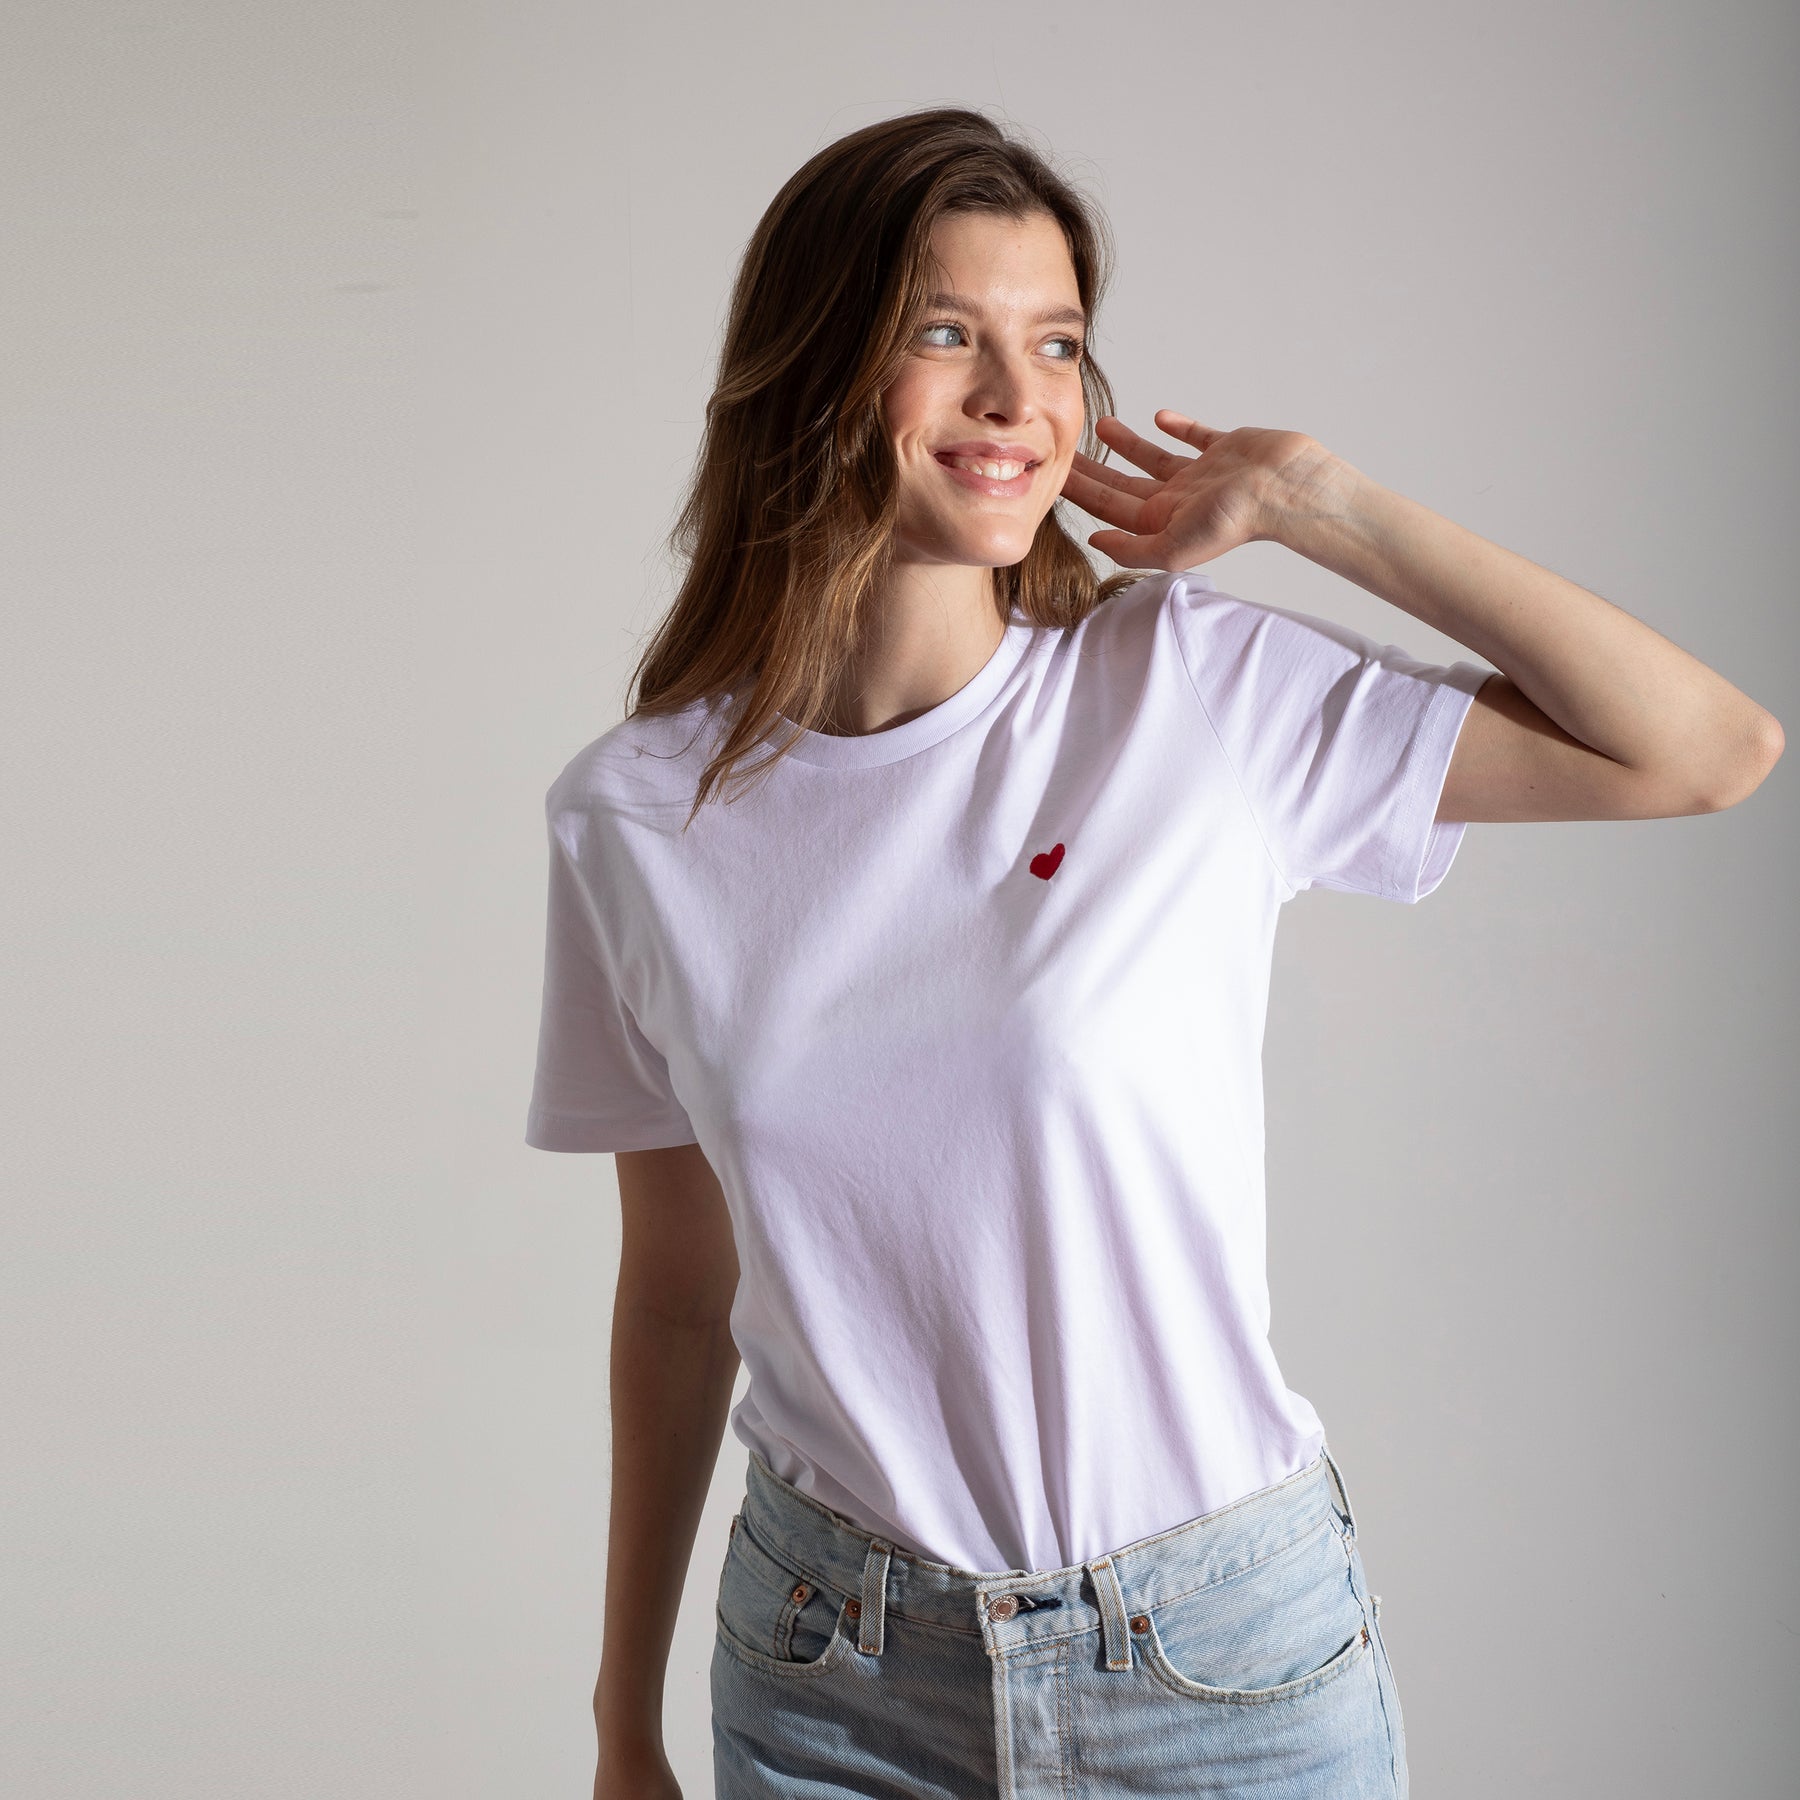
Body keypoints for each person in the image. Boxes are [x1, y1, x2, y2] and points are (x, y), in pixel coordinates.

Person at [522, 108, 1783, 1800]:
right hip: (832, 1680)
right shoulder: (635, 817)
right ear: (810, 365)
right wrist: (621, 1722)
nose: (1017, 397)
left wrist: (1323, 505)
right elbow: (678, 1300)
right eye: (945, 333)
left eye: (1057, 345)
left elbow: (1703, 749)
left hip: (1211, 1663)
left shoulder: (1183, 690)